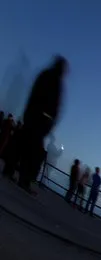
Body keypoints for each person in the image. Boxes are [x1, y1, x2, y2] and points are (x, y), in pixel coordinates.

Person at [18, 55, 68, 192]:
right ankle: (25, 179)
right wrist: (50, 122)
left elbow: (34, 94)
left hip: (34, 117)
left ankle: (18, 174)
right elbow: (55, 105)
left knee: (28, 148)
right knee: (36, 152)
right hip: (40, 120)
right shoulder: (55, 81)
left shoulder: (45, 75)